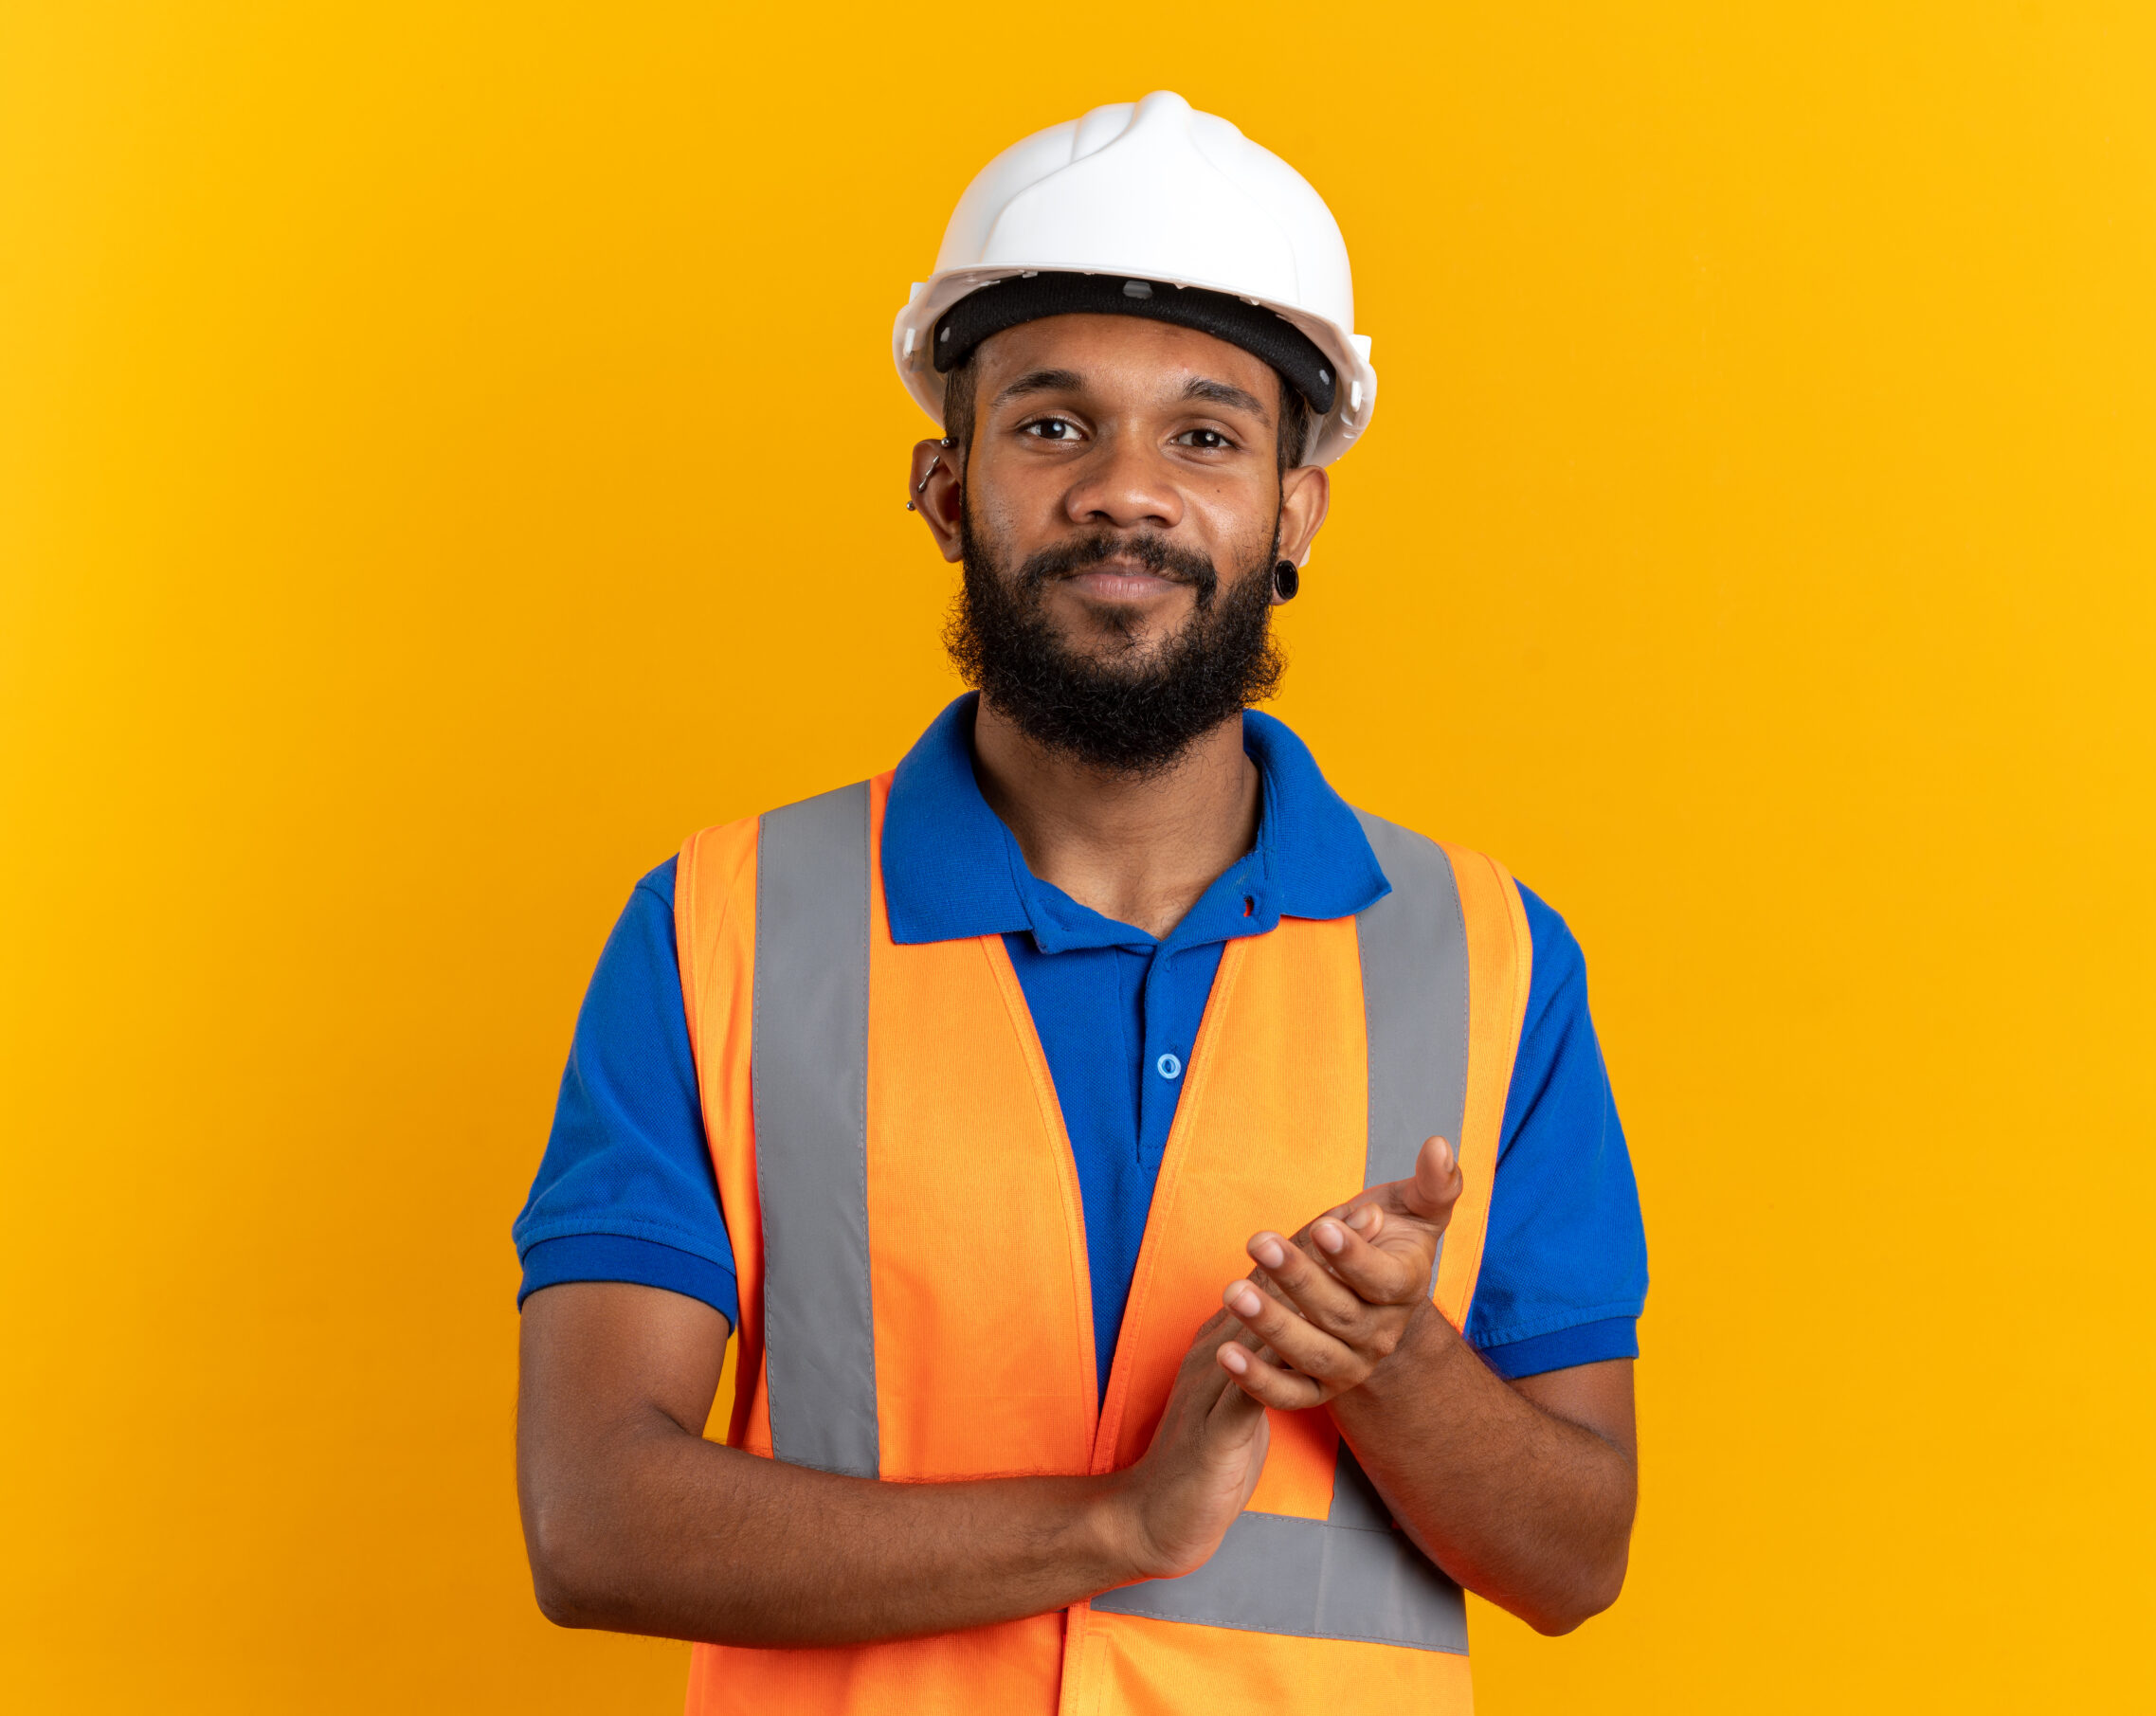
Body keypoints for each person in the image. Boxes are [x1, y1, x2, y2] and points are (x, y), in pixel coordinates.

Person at [512, 91, 1647, 1715]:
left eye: (1206, 435)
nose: (1129, 490)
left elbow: (1577, 1560)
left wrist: (1392, 1362)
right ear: (946, 488)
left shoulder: (1486, 955)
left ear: (1292, 513)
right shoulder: (720, 927)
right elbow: (595, 1521)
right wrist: (1111, 1525)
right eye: (1053, 427)